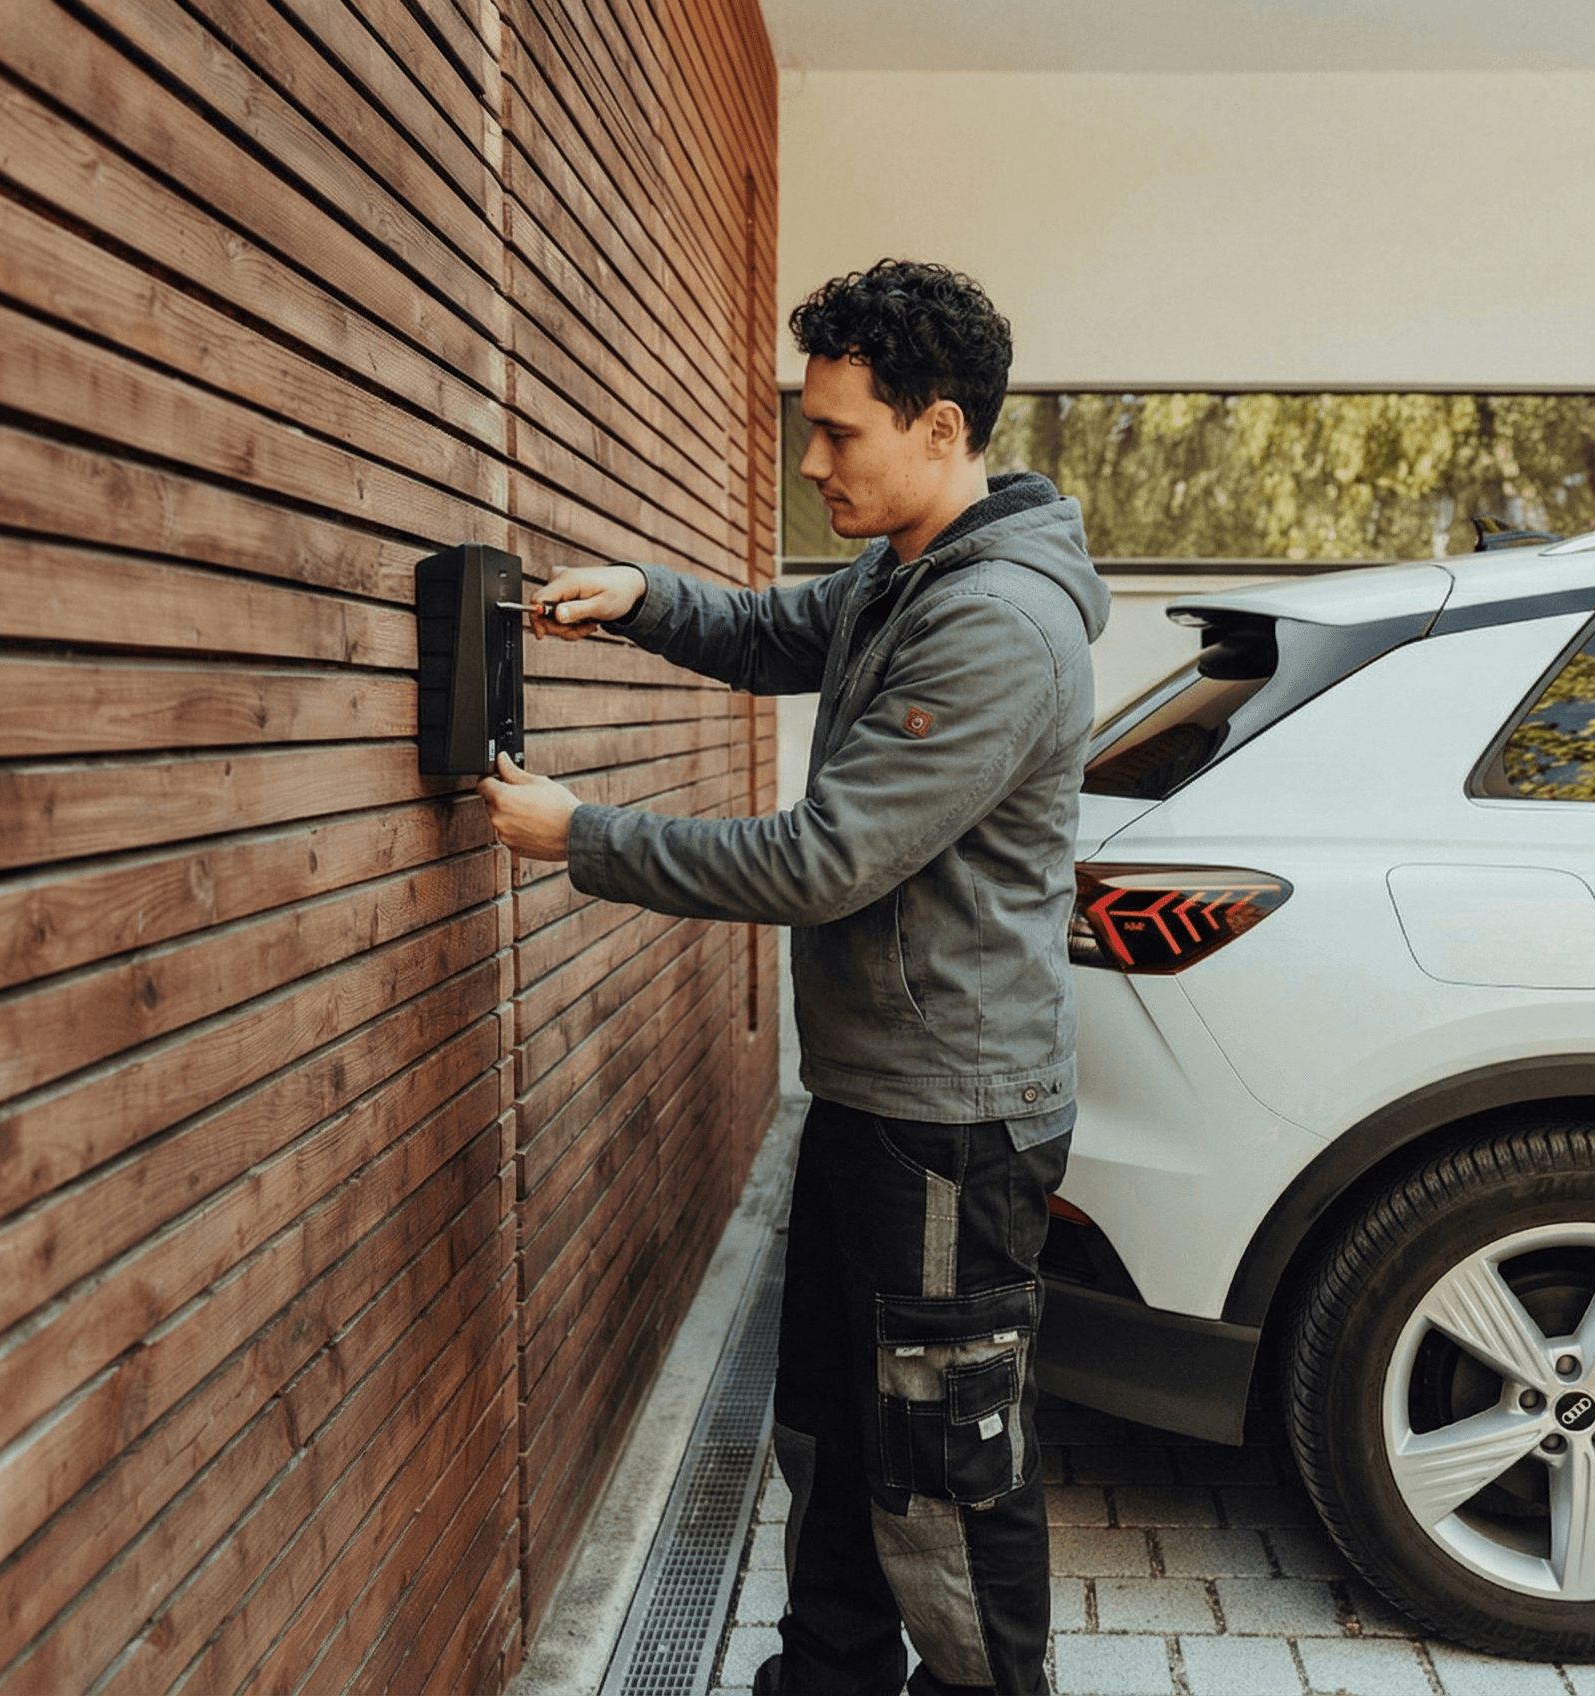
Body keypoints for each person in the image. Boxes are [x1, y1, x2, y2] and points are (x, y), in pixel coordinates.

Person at [480, 259, 1107, 1696]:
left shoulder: (994, 623)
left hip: (951, 1125)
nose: (810, 460)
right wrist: (640, 598)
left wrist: (586, 835)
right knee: (832, 1425)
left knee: (946, 1468)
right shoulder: (909, 574)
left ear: (941, 429)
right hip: (875, 1098)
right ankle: (824, 1677)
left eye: (838, 434)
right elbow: (776, 630)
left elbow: (824, 862)